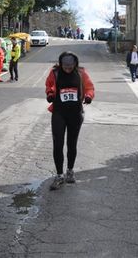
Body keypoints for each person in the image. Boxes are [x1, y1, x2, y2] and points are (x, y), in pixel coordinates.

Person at [45, 52, 95, 190]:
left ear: (75, 65)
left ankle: (70, 171)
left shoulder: (81, 73)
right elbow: (49, 85)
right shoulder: (55, 73)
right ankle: (59, 175)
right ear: (61, 64)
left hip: (75, 113)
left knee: (72, 144)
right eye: (65, 67)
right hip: (59, 112)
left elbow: (89, 87)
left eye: (70, 67)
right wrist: (49, 93)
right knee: (58, 143)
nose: (68, 69)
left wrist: (89, 96)